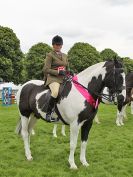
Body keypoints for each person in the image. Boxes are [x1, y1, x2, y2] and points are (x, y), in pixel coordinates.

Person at [43, 35, 69, 122]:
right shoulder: (50, 55)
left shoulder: (65, 55)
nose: (58, 46)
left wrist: (70, 72)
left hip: (64, 78)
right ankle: (48, 113)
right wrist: (57, 72)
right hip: (53, 78)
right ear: (53, 45)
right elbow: (45, 69)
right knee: (55, 92)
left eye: (60, 45)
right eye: (56, 45)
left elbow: (67, 67)